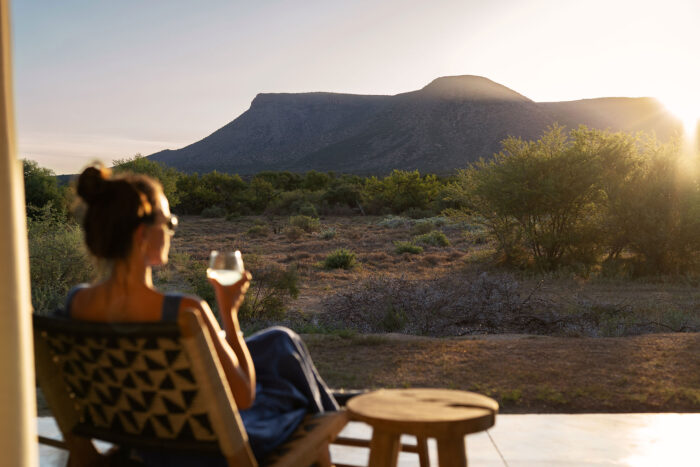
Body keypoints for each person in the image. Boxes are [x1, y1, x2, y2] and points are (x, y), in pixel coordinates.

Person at [61, 165, 338, 465]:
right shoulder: (185, 311)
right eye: (168, 222)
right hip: (207, 448)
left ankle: (326, 414)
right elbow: (243, 396)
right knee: (290, 385)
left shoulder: (76, 302)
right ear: (142, 234)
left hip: (144, 433)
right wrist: (228, 314)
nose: (170, 231)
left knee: (279, 341)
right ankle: (327, 423)